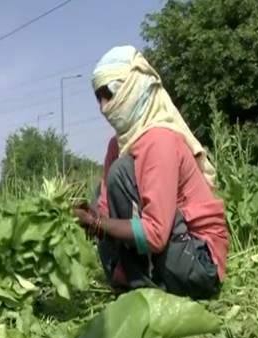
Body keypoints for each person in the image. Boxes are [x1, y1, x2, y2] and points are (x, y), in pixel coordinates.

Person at [74, 45, 229, 300]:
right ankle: (132, 278)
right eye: (97, 98)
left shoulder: (160, 140)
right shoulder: (118, 145)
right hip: (172, 252)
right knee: (97, 195)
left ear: (132, 90)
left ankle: (144, 283)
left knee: (121, 173)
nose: (103, 107)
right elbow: (103, 210)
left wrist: (96, 223)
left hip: (199, 262)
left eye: (109, 94)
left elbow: (156, 235)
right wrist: (81, 218)